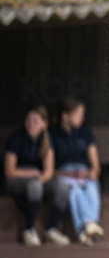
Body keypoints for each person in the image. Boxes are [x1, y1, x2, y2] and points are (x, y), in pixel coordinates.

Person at [4, 104, 72, 245]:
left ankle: (52, 229)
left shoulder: (46, 139)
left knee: (63, 186)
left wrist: (40, 180)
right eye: (28, 120)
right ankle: (29, 230)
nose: (31, 124)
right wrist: (33, 174)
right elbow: (9, 172)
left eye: (35, 121)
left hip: (36, 181)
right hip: (17, 180)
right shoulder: (16, 138)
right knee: (35, 185)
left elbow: (48, 171)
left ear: (44, 124)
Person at [50, 97, 104, 245]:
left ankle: (85, 229)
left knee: (91, 186)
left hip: (84, 173)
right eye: (78, 114)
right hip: (65, 173)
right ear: (65, 116)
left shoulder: (85, 132)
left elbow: (95, 164)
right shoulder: (54, 133)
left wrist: (92, 172)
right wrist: (72, 174)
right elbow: (50, 169)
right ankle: (89, 225)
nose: (81, 118)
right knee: (74, 191)